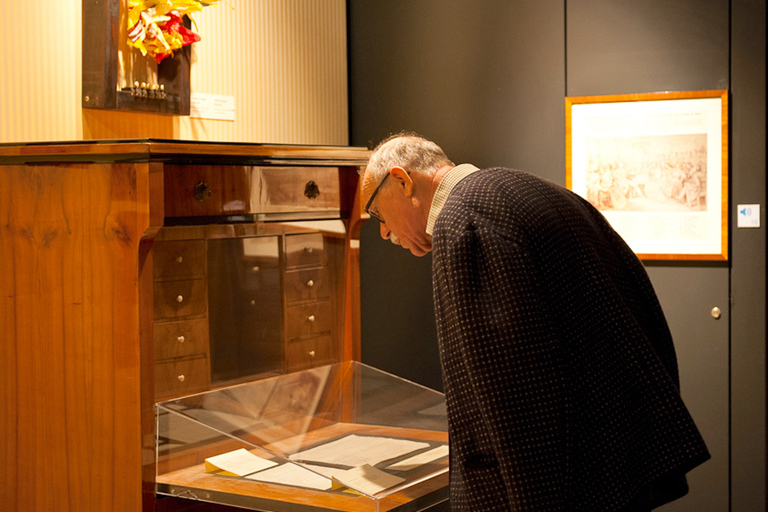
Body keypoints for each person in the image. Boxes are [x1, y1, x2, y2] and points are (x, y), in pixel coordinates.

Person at [361, 132, 710, 512]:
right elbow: (638, 302)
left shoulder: (461, 220)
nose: (383, 232)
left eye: (378, 213)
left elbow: (507, 393)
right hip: (620, 460)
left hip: (565, 485)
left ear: (401, 180)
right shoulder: (537, 190)